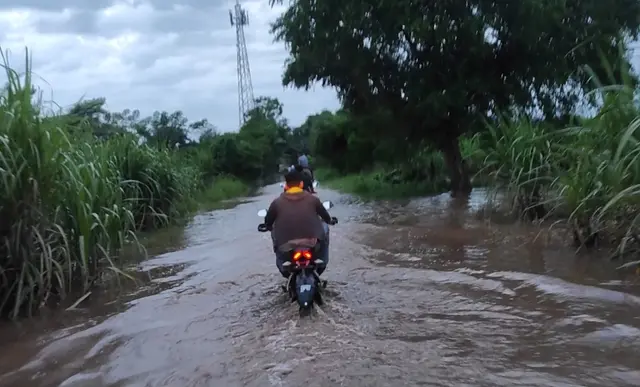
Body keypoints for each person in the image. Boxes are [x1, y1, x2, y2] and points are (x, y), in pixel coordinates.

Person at [264, 170, 335, 278]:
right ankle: (323, 260)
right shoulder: (313, 199)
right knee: (325, 226)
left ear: (286, 185)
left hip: (286, 247)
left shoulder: (276, 202)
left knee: (273, 231)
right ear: (301, 184)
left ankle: (282, 263)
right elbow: (325, 217)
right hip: (311, 243)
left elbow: (268, 222)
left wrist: (268, 227)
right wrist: (330, 221)